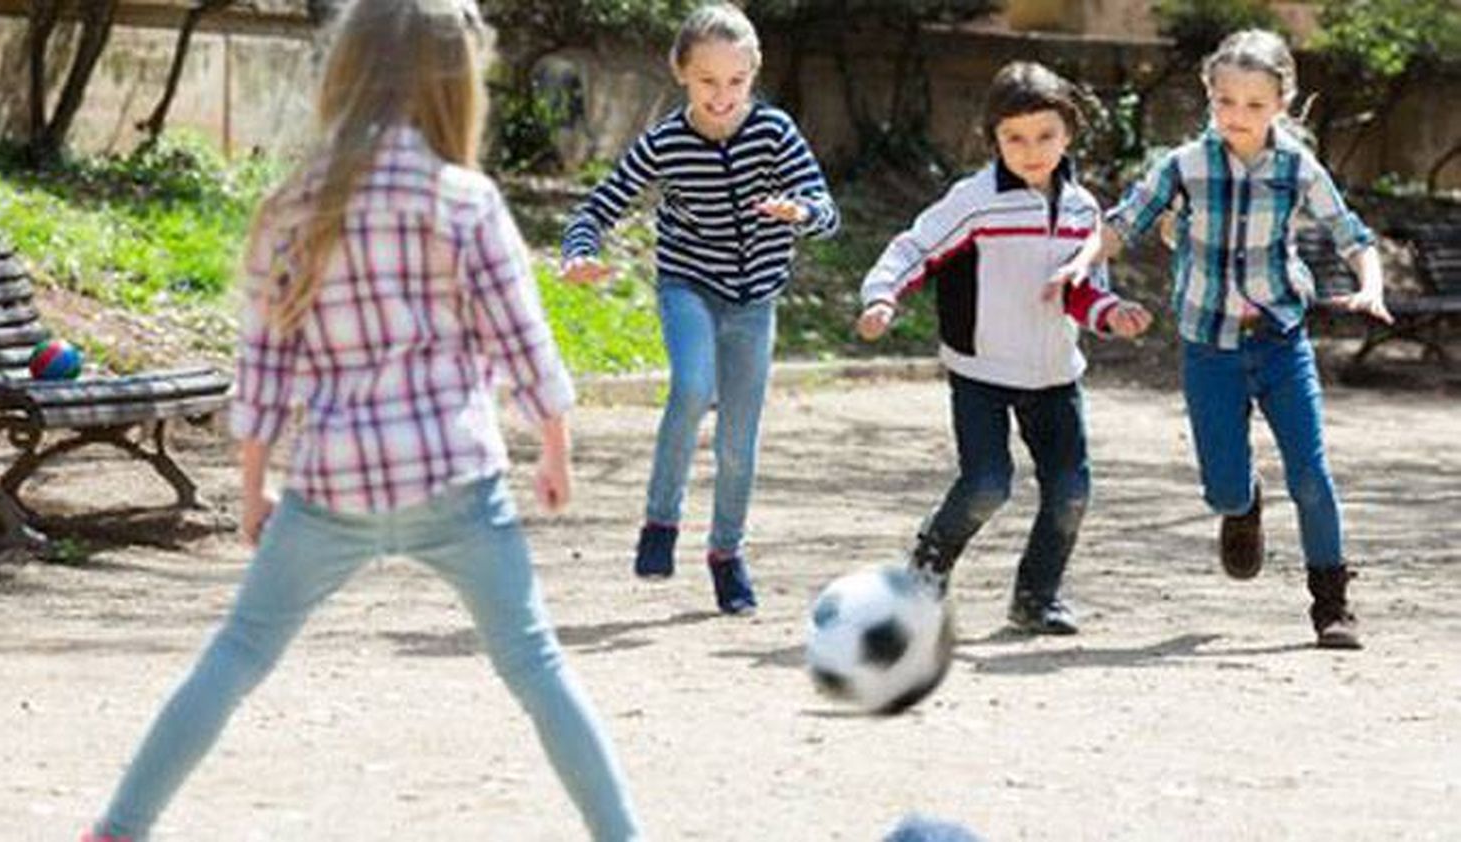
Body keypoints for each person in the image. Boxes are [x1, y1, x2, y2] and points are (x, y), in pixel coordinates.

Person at [80, 1, 642, 839]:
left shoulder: (294, 206)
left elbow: (264, 364)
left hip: (333, 484)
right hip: (455, 476)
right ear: (456, 82)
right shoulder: (465, 200)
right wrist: (552, 446)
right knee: (534, 664)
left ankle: (118, 829)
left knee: (238, 653)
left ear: (343, 72)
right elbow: (522, 341)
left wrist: (252, 485)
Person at [1101, 29, 1391, 650]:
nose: (1238, 116)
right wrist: (1075, 268)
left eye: (1254, 104)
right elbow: (1122, 224)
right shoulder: (1184, 166)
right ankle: (1243, 504)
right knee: (1223, 486)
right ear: (1209, 97)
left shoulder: (1296, 168)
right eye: (1225, 101)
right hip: (1209, 346)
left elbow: (1352, 234)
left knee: (1311, 475)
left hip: (1282, 341)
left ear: (1281, 104)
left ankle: (1332, 603)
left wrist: (1370, 285)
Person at [560, 3, 839, 615]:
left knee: (739, 440)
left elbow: (825, 204)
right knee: (691, 387)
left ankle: (726, 555)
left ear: (753, 76)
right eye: (708, 80)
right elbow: (596, 209)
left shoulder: (774, 133)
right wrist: (577, 254)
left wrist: (803, 213)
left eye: (736, 82)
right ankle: (661, 522)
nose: (722, 95)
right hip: (688, 285)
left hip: (755, 301)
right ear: (681, 72)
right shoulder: (665, 142)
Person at [856, 62, 1152, 635]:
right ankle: (928, 566)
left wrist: (1113, 314)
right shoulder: (975, 202)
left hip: (1056, 374)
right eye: (1014, 138)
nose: (1031, 150)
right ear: (993, 138)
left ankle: (1036, 597)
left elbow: (1083, 291)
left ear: (1068, 133)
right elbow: (914, 248)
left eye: (1045, 135)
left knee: (1070, 493)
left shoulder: (1084, 210)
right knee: (987, 484)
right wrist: (882, 297)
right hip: (982, 369)